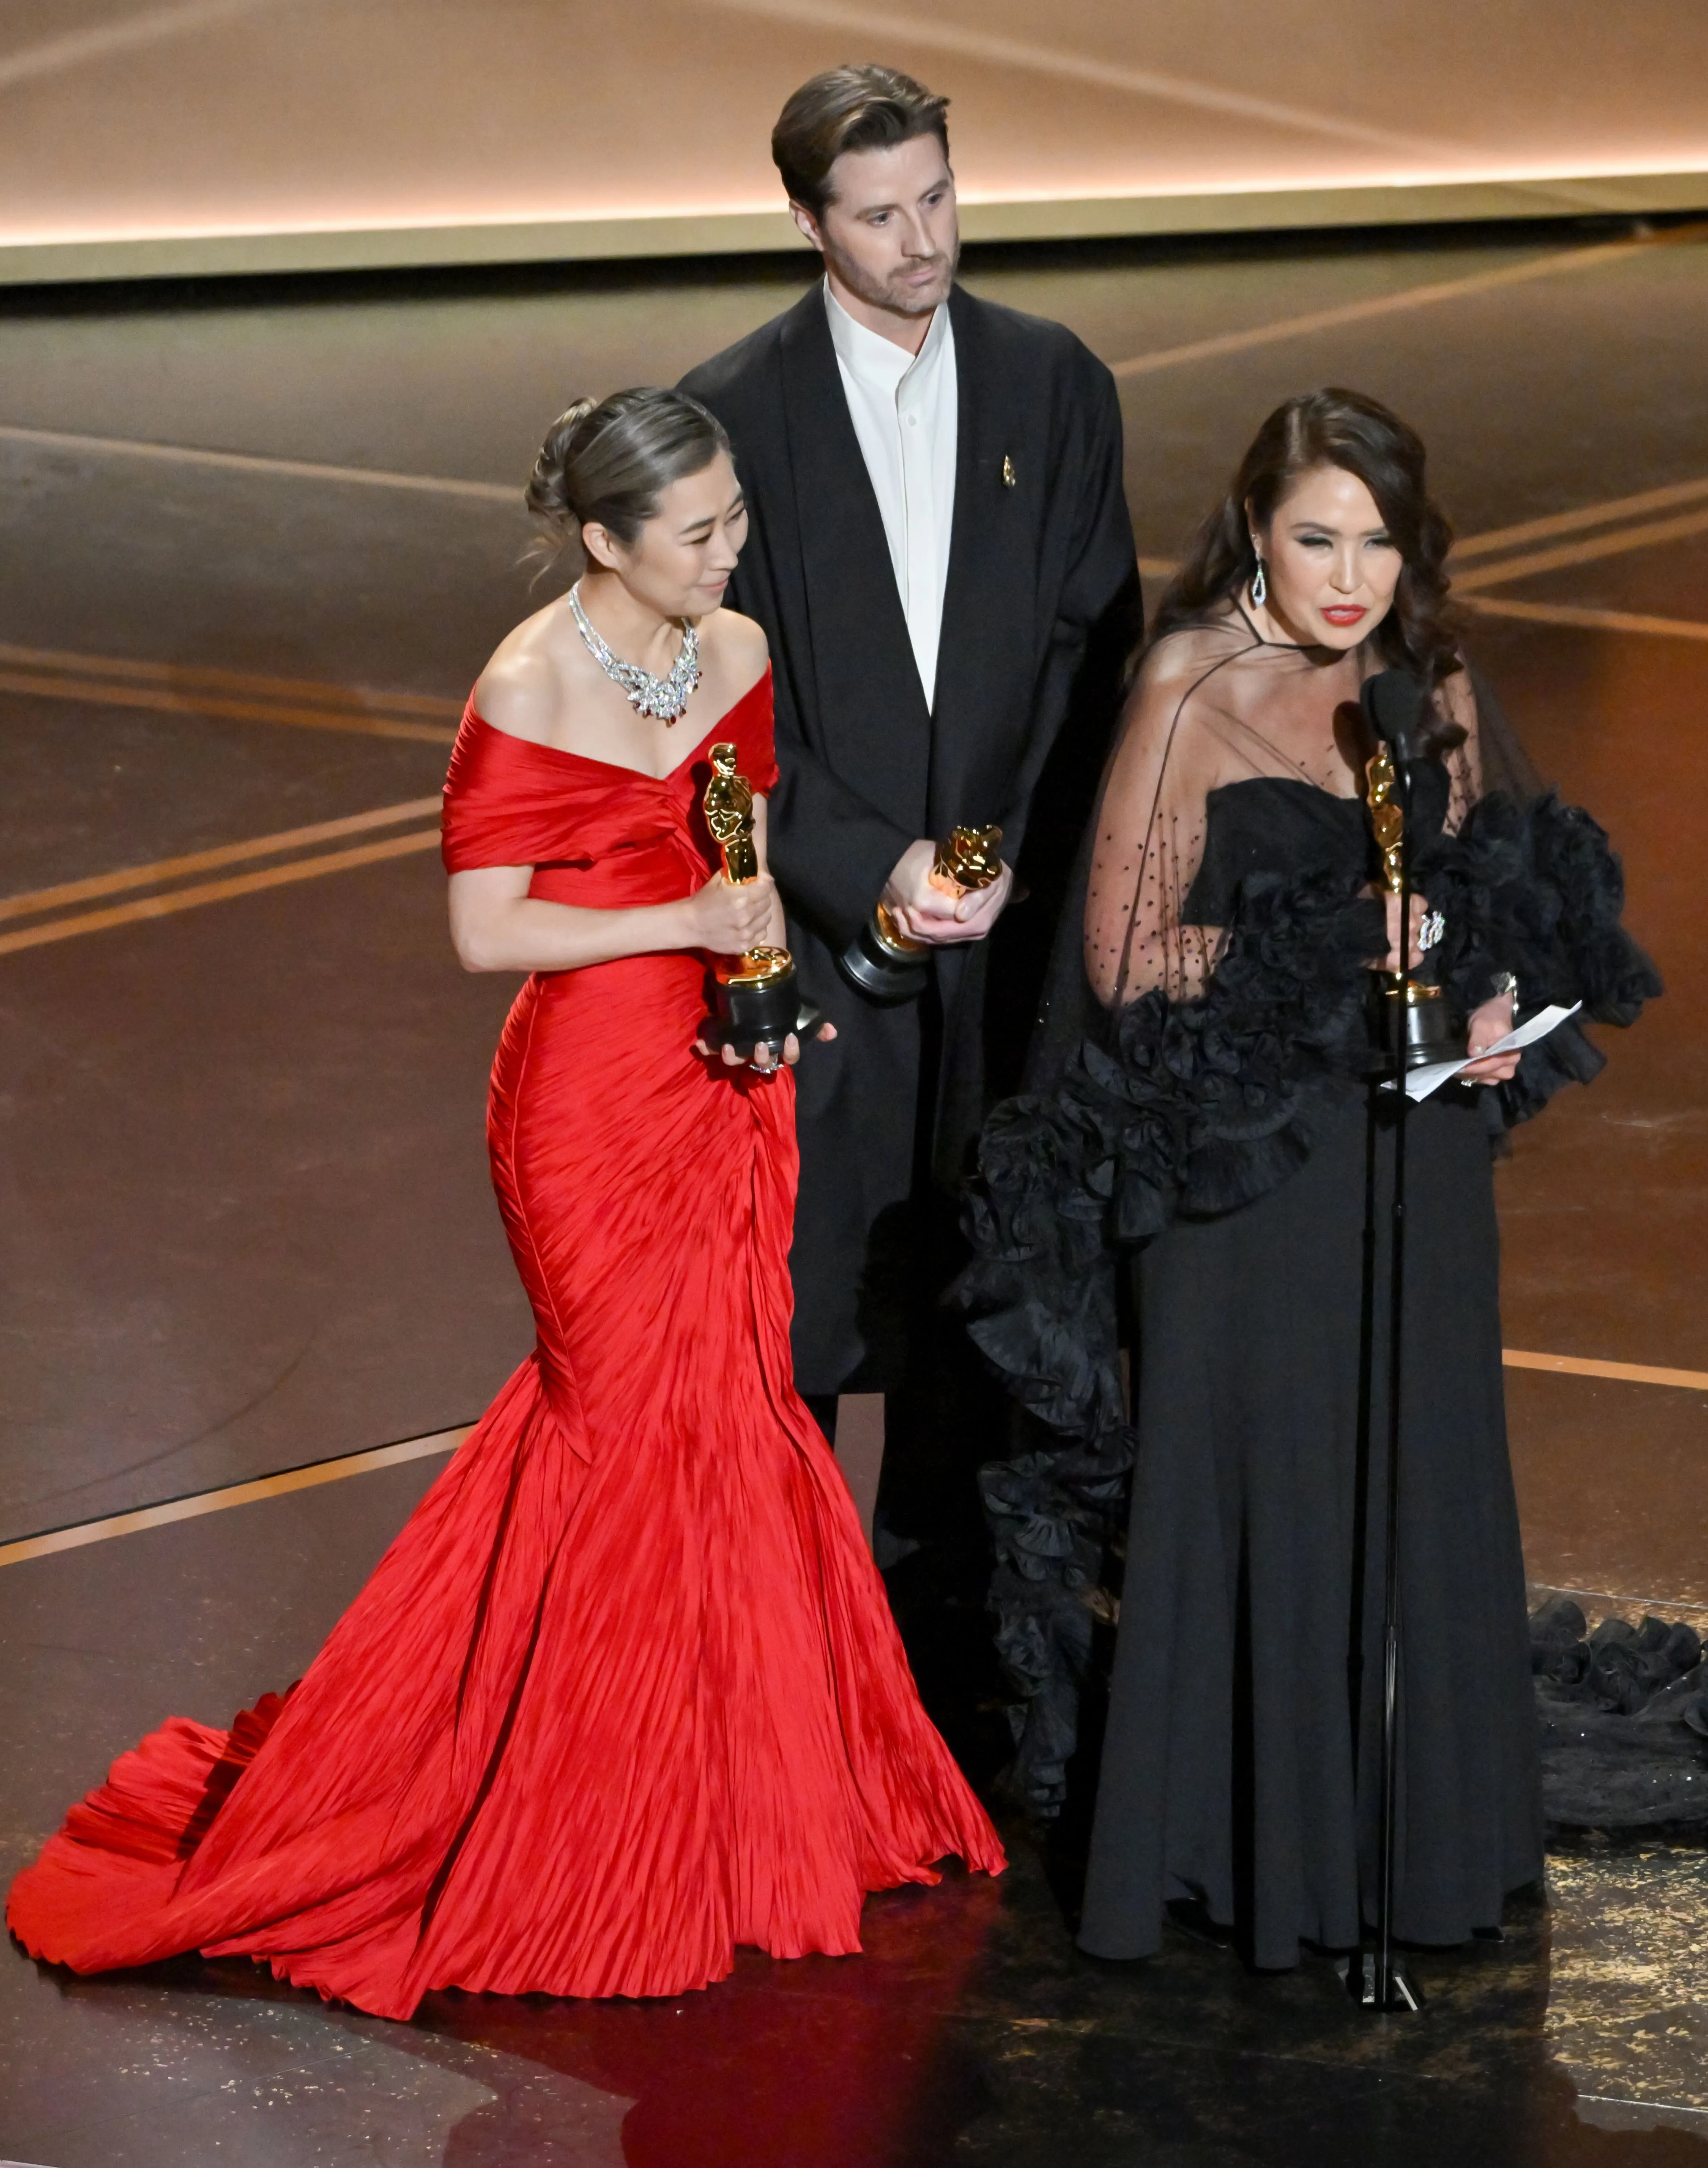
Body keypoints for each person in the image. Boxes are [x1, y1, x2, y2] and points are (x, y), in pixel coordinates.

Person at [4, 389, 1001, 2012]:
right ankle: (574, 1816)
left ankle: (727, 1800)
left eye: (738, 518)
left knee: (729, 1411)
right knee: (613, 1425)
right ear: (605, 537)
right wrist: (683, 923)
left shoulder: (740, 652)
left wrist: (762, 981)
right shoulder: (528, 682)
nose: (730, 551)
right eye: (699, 531)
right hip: (588, 1099)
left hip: (726, 1082)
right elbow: (487, 930)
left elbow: (743, 851)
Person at [968, 390, 1708, 1975]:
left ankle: (1414, 1839)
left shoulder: (1432, 685)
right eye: (1317, 539)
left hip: (1405, 1153)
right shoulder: (1190, 682)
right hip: (1243, 1177)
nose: (1350, 579)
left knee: (1413, 1467)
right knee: (1269, 1481)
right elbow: (1129, 961)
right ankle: (1247, 1847)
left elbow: (1478, 899)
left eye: (1379, 543)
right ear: (1256, 531)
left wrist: (1481, 1006)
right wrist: (1343, 944)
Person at [678, 65, 1140, 1555]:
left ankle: (945, 1650)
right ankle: (793, 1647)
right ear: (809, 223)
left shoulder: (1053, 383)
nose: (923, 239)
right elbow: (709, 711)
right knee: (806, 1321)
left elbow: (1090, 648)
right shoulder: (729, 420)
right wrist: (875, 862)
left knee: (979, 1317)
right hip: (825, 953)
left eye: (937, 197)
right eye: (880, 215)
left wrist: (997, 862)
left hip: (1002, 941)